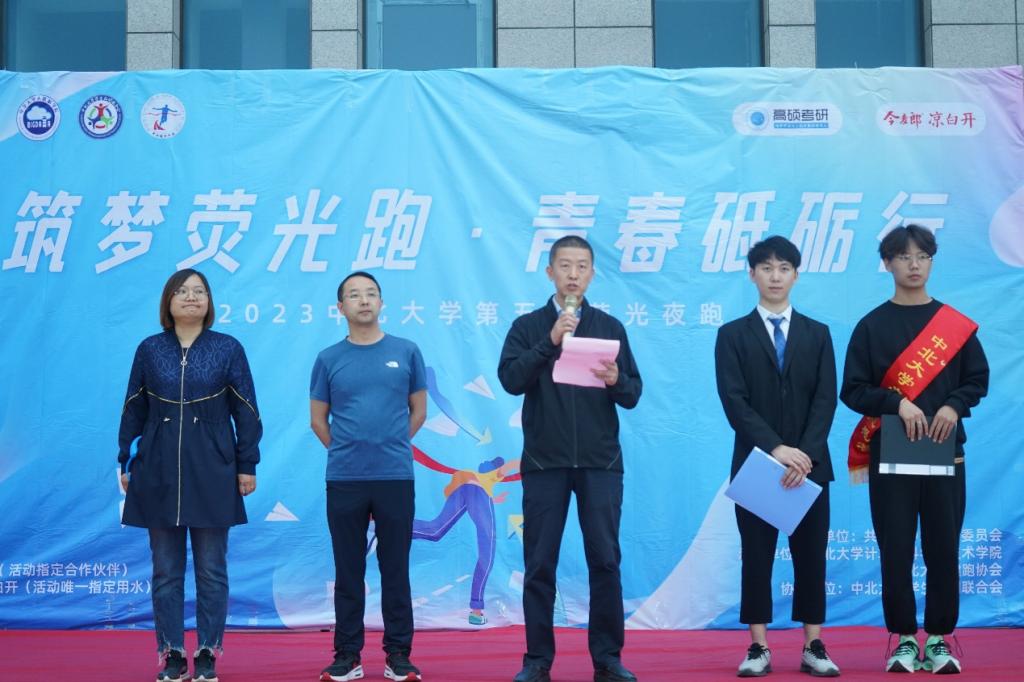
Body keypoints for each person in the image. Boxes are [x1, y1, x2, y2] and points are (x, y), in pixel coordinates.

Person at [841, 225, 988, 674]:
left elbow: (977, 380)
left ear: (931, 262)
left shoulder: (954, 327)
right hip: (892, 455)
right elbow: (853, 389)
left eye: (922, 256)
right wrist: (896, 403)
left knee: (943, 547)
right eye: (904, 257)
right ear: (887, 263)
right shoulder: (871, 326)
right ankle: (905, 639)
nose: (914, 265)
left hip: (945, 452)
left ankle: (939, 639)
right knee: (896, 549)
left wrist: (953, 406)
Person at [498, 235, 642, 682]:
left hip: (600, 464)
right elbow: (510, 380)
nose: (573, 274)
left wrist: (616, 379)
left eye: (581, 266)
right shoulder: (528, 326)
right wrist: (549, 341)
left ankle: (608, 660)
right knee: (540, 564)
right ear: (550, 272)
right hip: (545, 463)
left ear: (592, 274)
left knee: (606, 562)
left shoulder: (609, 327)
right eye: (565, 265)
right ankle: (537, 661)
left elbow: (633, 393)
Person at [118, 269, 262, 682]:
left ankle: (207, 652)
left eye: (199, 291)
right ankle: (173, 653)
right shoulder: (150, 349)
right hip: (157, 468)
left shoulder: (227, 348)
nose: (191, 297)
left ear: (209, 301)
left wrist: (246, 464)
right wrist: (126, 460)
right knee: (165, 571)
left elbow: (247, 411)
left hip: (214, 468)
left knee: (212, 570)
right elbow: (133, 408)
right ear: (168, 301)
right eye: (182, 291)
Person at [714, 236, 841, 678]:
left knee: (811, 557)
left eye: (784, 268)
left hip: (810, 467)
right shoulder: (732, 335)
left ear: (796, 275)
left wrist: (803, 455)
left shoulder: (817, 334)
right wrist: (776, 449)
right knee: (756, 557)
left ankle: (813, 644)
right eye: (766, 268)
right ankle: (758, 646)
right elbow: (734, 402)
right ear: (752, 275)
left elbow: (826, 399)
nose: (775, 276)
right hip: (757, 465)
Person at [311, 271, 427, 682]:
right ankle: (347, 656)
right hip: (345, 478)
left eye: (371, 294)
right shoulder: (329, 358)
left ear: (381, 303)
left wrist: (388, 445)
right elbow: (318, 420)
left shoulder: (407, 351)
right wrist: (349, 450)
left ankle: (399, 656)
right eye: (355, 295)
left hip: (395, 476)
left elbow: (419, 411)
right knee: (348, 570)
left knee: (396, 568)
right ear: (340, 307)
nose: (364, 300)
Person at [413, 456, 521, 625]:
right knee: (487, 552)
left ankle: (395, 525)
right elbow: (512, 464)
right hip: (479, 495)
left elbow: (478, 495)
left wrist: (494, 499)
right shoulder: (493, 474)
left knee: (436, 530)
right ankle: (476, 611)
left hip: (463, 492)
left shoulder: (477, 477)